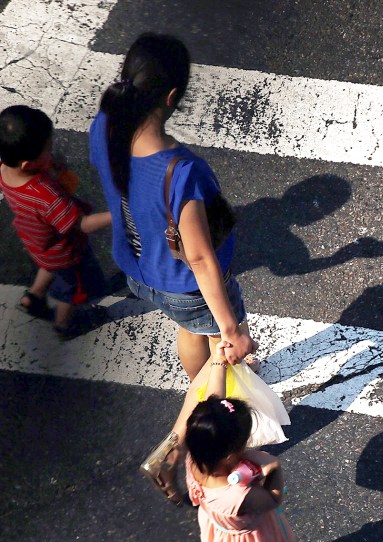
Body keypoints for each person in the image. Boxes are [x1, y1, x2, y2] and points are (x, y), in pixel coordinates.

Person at [88, 32, 257, 379]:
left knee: (192, 327)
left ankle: (198, 384)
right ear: (171, 97)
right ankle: (215, 397)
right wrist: (230, 330)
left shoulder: (104, 125)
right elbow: (198, 256)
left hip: (140, 271)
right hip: (185, 284)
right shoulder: (181, 172)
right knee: (213, 337)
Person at [181, 342, 293, 542]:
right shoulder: (239, 495)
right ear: (232, 455)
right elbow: (272, 500)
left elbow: (210, 402)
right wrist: (272, 468)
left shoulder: (197, 458)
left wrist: (218, 360)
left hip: (221, 536)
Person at [0, 105, 111, 338]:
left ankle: (33, 297)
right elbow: (82, 224)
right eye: (48, 149)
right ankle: (64, 325)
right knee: (72, 291)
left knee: (49, 265)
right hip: (66, 251)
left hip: (37, 240)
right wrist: (118, 215)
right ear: (28, 165)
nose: (52, 152)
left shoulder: (5, 170)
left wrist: (55, 168)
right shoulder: (47, 196)